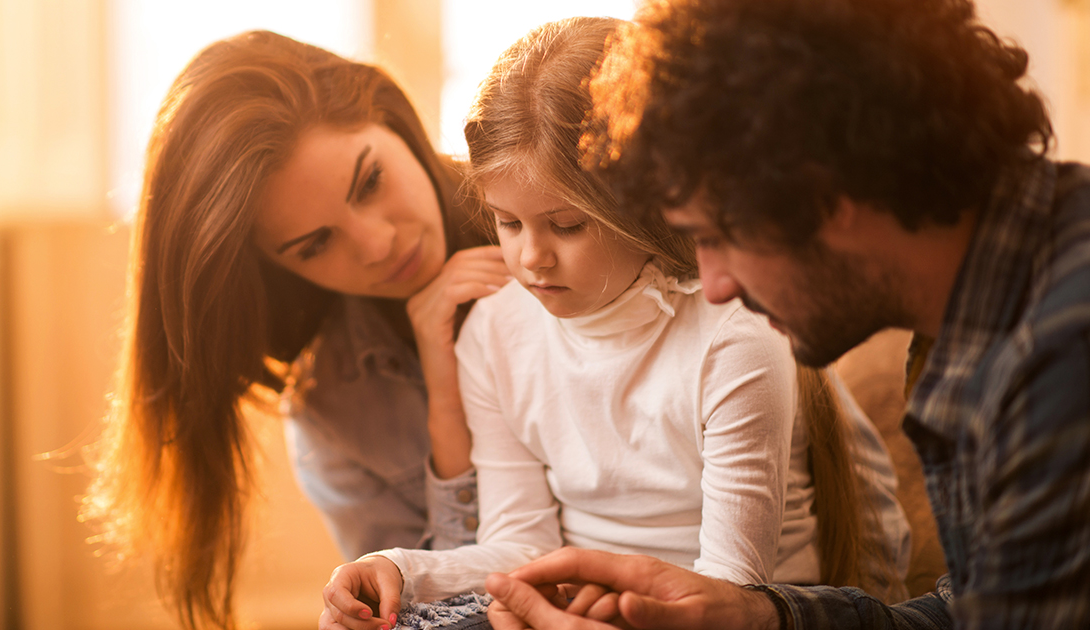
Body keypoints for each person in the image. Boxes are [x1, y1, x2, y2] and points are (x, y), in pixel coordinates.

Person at [484, 0, 1090, 629]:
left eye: (715, 235)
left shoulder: (1056, 361)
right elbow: (966, 614)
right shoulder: (976, 317)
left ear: (824, 193)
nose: (714, 285)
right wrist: (760, 616)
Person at [321, 18, 911, 630]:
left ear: (649, 202)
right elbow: (522, 547)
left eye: (567, 225)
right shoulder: (495, 331)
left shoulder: (735, 331)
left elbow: (731, 590)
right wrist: (400, 569)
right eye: (509, 223)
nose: (532, 258)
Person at [81, 31, 513, 630]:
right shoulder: (333, 415)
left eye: (369, 182)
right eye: (314, 245)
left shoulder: (572, 215)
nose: (378, 243)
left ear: (389, 116)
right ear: (278, 270)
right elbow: (439, 612)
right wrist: (446, 396)